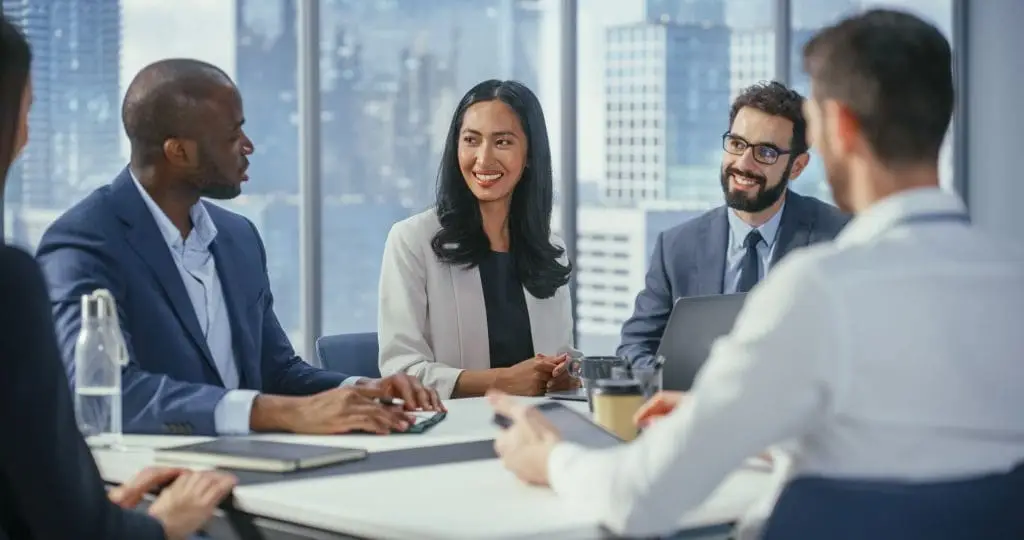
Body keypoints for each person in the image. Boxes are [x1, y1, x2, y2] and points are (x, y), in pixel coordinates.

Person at [488, 9, 1024, 538]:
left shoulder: (818, 287)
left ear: (838, 126)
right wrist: (720, 414)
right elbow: (893, 447)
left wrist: (551, 457)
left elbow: (639, 498)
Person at [36, 58, 442, 438]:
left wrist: (359, 389)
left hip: (254, 464)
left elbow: (276, 372)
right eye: (232, 136)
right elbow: (106, 392)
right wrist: (272, 413)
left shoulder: (238, 237)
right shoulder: (84, 244)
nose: (247, 146)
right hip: (152, 476)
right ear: (179, 152)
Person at [0, 17, 236, 539]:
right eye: (27, 110)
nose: (27, 135)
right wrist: (159, 525)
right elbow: (74, 526)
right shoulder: (28, 271)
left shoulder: (236, 236)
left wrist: (101, 513)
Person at [617, 81, 849, 366]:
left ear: (797, 167)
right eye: (737, 144)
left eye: (766, 152)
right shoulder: (677, 247)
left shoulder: (838, 237)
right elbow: (635, 346)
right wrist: (667, 383)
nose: (743, 164)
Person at [378, 80, 575, 399]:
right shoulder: (412, 240)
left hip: (536, 423)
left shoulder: (551, 249)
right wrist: (499, 382)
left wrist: (565, 374)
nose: (483, 159)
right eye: (471, 140)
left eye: (503, 142)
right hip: (452, 425)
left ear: (530, 155)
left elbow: (563, 354)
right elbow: (401, 370)